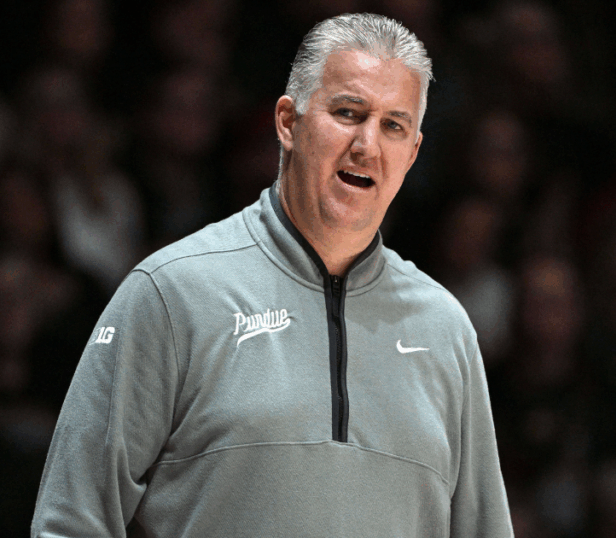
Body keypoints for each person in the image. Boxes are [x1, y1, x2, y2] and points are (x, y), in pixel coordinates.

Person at [31, 13, 512, 537]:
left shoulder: (444, 328)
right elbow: (70, 521)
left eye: (393, 126)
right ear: (288, 122)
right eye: (348, 112)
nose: (367, 145)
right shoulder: (172, 293)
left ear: (413, 153)